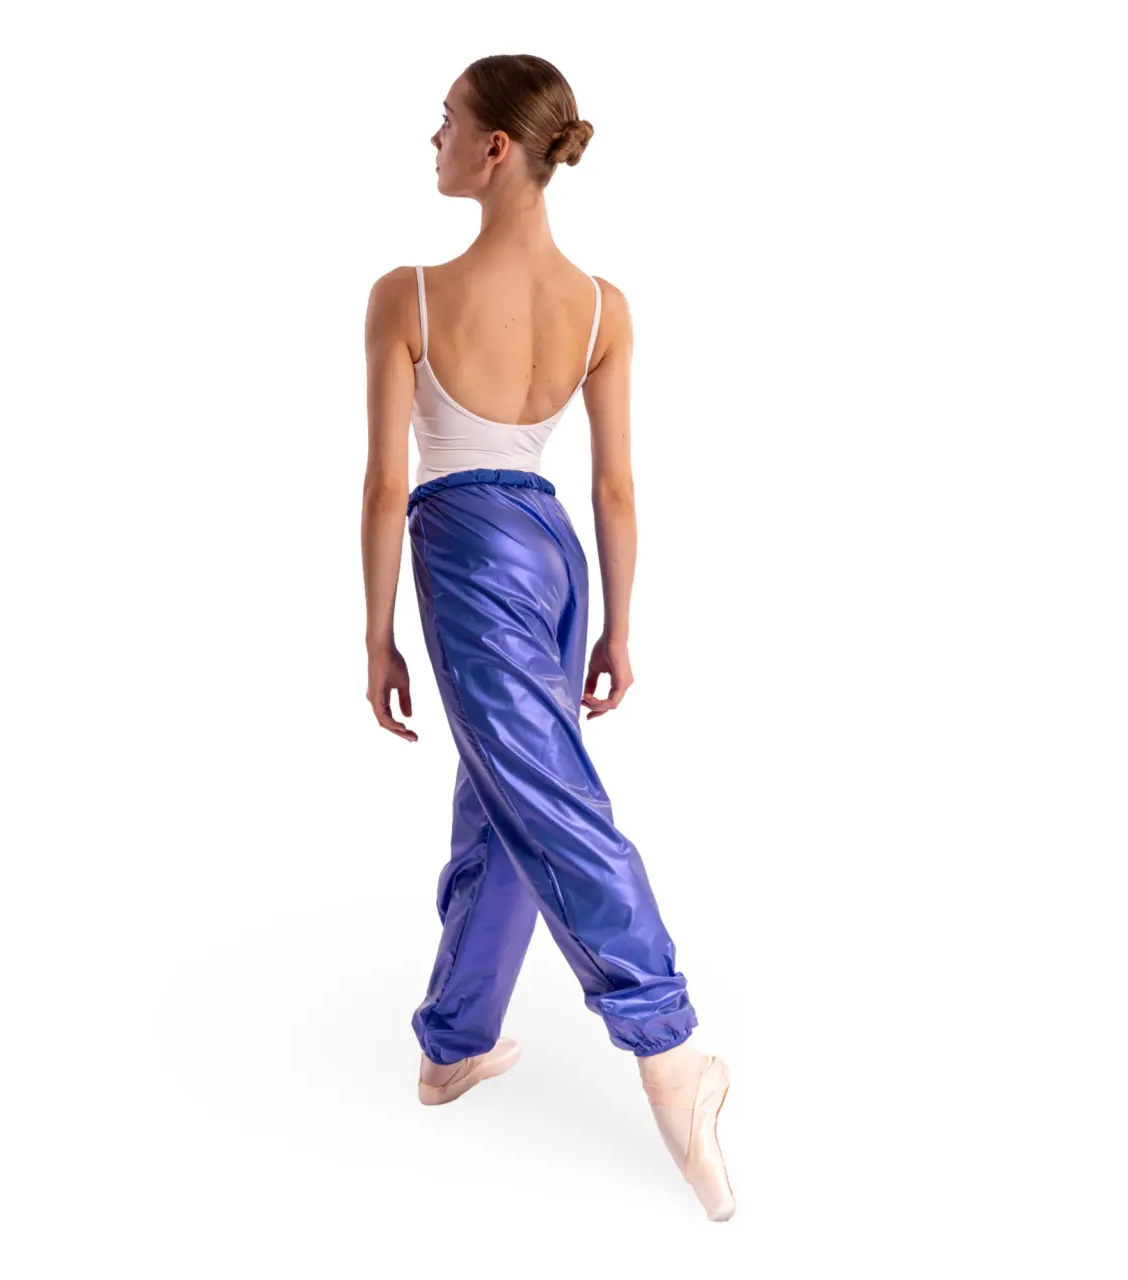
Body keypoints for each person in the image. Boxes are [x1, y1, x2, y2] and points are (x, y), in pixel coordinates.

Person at [360, 53, 735, 1222]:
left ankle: (668, 1048)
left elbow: (384, 485)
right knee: (500, 797)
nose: (430, 140)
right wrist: (617, 621)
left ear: (492, 150)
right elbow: (615, 485)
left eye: (444, 123)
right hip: (556, 548)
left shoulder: (408, 293)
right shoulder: (602, 304)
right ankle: (455, 1040)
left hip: (467, 547)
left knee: (542, 795)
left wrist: (374, 632)